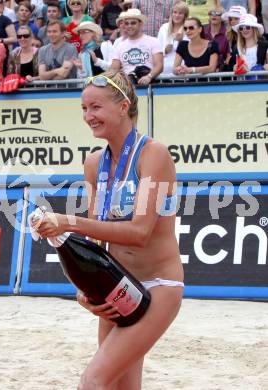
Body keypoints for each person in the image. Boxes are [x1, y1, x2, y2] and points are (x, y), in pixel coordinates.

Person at [31, 69, 184, 389]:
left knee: (93, 381)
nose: (88, 116)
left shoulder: (153, 153)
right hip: (116, 285)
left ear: (123, 106)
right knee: (119, 386)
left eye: (96, 107)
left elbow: (140, 233)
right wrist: (87, 288)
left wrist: (67, 221)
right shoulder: (93, 163)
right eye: (84, 109)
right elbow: (98, 236)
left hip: (158, 285)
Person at [111, 8, 163, 85]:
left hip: (149, 84)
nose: (129, 26)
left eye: (133, 23)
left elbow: (159, 65)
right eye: (126, 23)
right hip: (128, 86)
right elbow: (114, 70)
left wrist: (149, 77)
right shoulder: (120, 45)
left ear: (141, 24)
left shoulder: (153, 41)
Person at [157, 1, 189, 75]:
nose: (177, 15)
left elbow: (193, 51)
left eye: (180, 13)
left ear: (185, 15)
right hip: (164, 71)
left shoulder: (188, 28)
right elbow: (157, 50)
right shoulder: (164, 27)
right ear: (171, 14)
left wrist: (181, 42)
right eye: (175, 12)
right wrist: (165, 50)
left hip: (182, 70)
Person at [221, 5, 247, 70]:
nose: (232, 21)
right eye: (230, 19)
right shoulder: (228, 35)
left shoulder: (250, 36)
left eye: (236, 18)